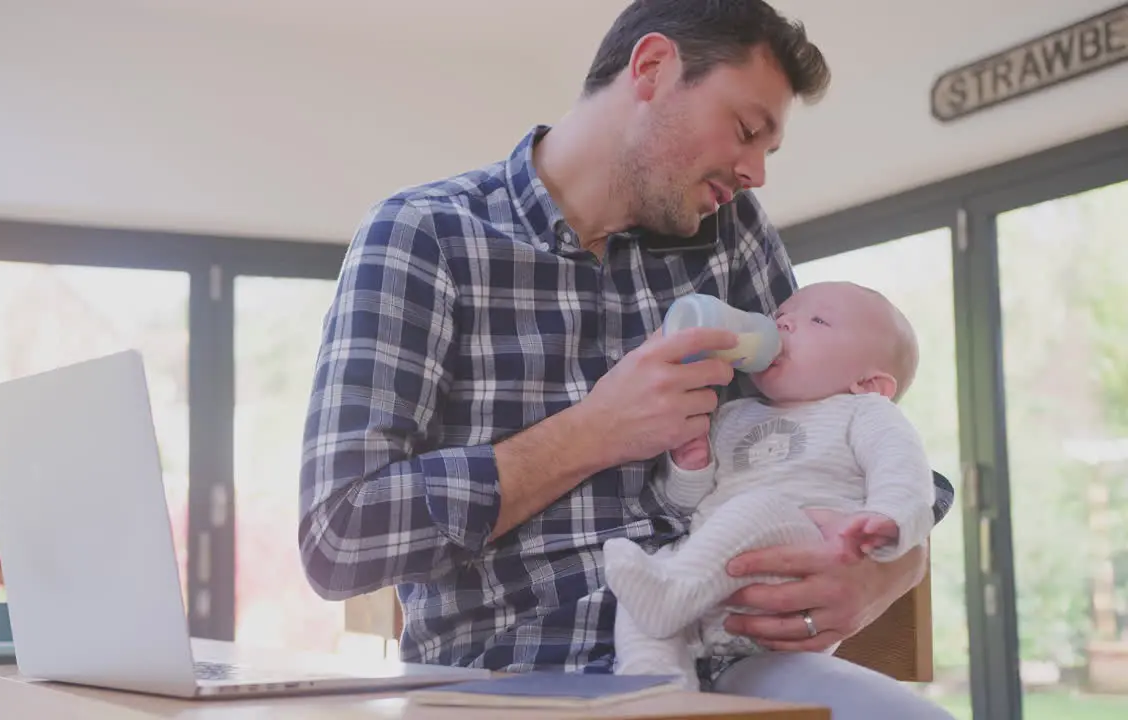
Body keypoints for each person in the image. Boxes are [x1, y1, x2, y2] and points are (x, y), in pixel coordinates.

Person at [299, 1, 954, 717]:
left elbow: (843, 431)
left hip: (728, 668)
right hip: (511, 682)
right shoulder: (425, 236)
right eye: (746, 131)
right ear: (651, 69)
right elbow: (339, 537)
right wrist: (593, 432)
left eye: (769, 149)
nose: (755, 173)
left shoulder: (729, 234)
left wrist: (888, 572)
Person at [604, 282, 936, 692]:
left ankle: (671, 594)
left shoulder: (863, 413)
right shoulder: (732, 415)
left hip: (798, 569)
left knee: (758, 507)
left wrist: (888, 521)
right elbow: (684, 506)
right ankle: (658, 682)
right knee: (649, 573)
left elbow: (905, 476)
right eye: (783, 314)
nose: (783, 322)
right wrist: (691, 468)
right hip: (712, 588)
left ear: (868, 384)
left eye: (817, 320)